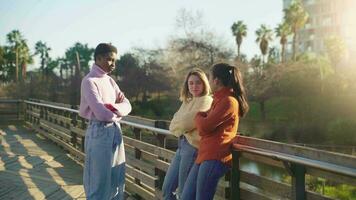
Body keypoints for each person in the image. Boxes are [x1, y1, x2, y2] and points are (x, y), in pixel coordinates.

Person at [181, 63, 249, 200]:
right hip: (205, 155)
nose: (209, 81)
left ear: (216, 81)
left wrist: (198, 115)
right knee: (186, 196)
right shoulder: (218, 99)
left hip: (215, 157)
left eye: (210, 78)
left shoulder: (229, 101)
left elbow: (204, 127)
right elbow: (205, 124)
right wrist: (202, 118)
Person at [79, 43, 132, 200]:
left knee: (117, 178)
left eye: (114, 60)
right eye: (109, 60)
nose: (113, 64)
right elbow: (101, 114)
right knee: (98, 180)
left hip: (115, 129)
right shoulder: (89, 81)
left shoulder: (110, 81)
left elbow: (128, 105)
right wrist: (118, 112)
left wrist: (114, 111)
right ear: (98, 58)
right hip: (98, 131)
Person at [162, 68, 213, 200]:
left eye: (198, 83)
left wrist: (182, 126)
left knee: (185, 193)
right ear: (187, 85)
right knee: (167, 189)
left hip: (193, 148)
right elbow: (173, 124)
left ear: (204, 84)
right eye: (191, 83)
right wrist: (183, 127)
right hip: (181, 146)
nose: (194, 86)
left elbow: (184, 123)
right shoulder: (187, 102)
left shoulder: (206, 101)